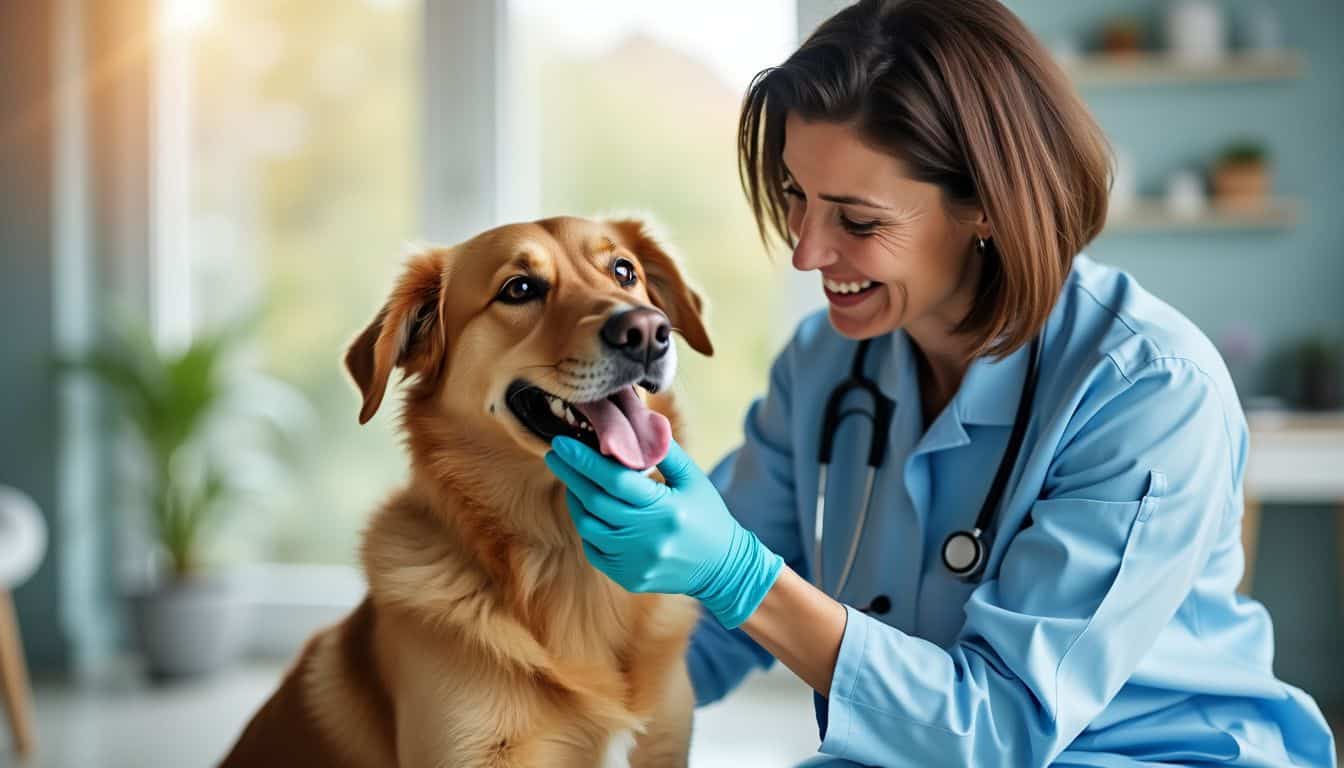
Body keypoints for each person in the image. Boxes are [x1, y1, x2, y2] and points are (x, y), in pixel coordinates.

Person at [543, 1, 1337, 765]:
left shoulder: (1149, 392)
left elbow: (998, 733)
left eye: (857, 221)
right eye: (794, 197)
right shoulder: (826, 365)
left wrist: (738, 574)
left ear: (986, 206)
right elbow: (699, 637)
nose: (806, 252)